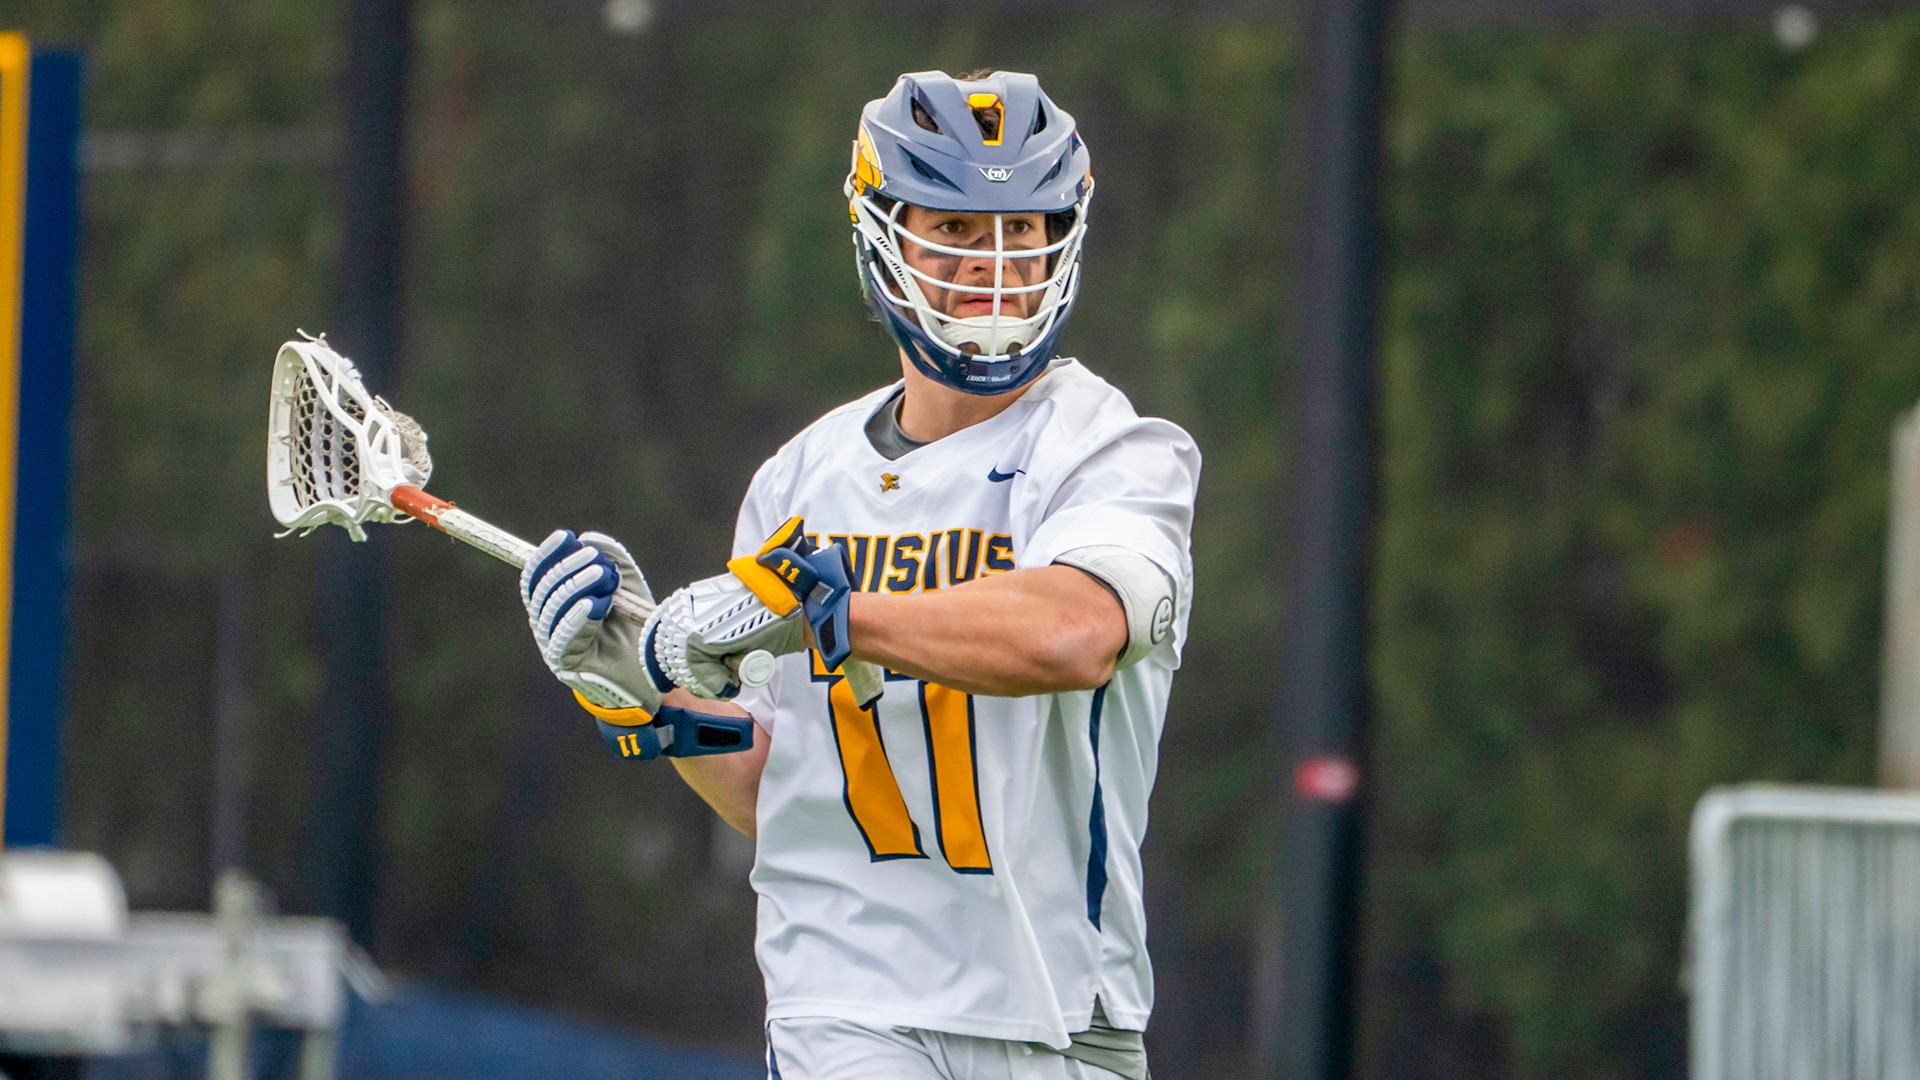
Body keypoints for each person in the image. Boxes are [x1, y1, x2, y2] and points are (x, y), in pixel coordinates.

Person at [518, 69, 1199, 1080]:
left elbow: (1073, 634)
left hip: (1060, 1013)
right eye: (958, 233)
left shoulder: (1114, 449)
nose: (996, 268)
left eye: (1024, 233)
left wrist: (824, 606)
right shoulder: (799, 478)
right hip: (845, 999)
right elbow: (775, 783)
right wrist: (637, 684)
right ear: (882, 237)